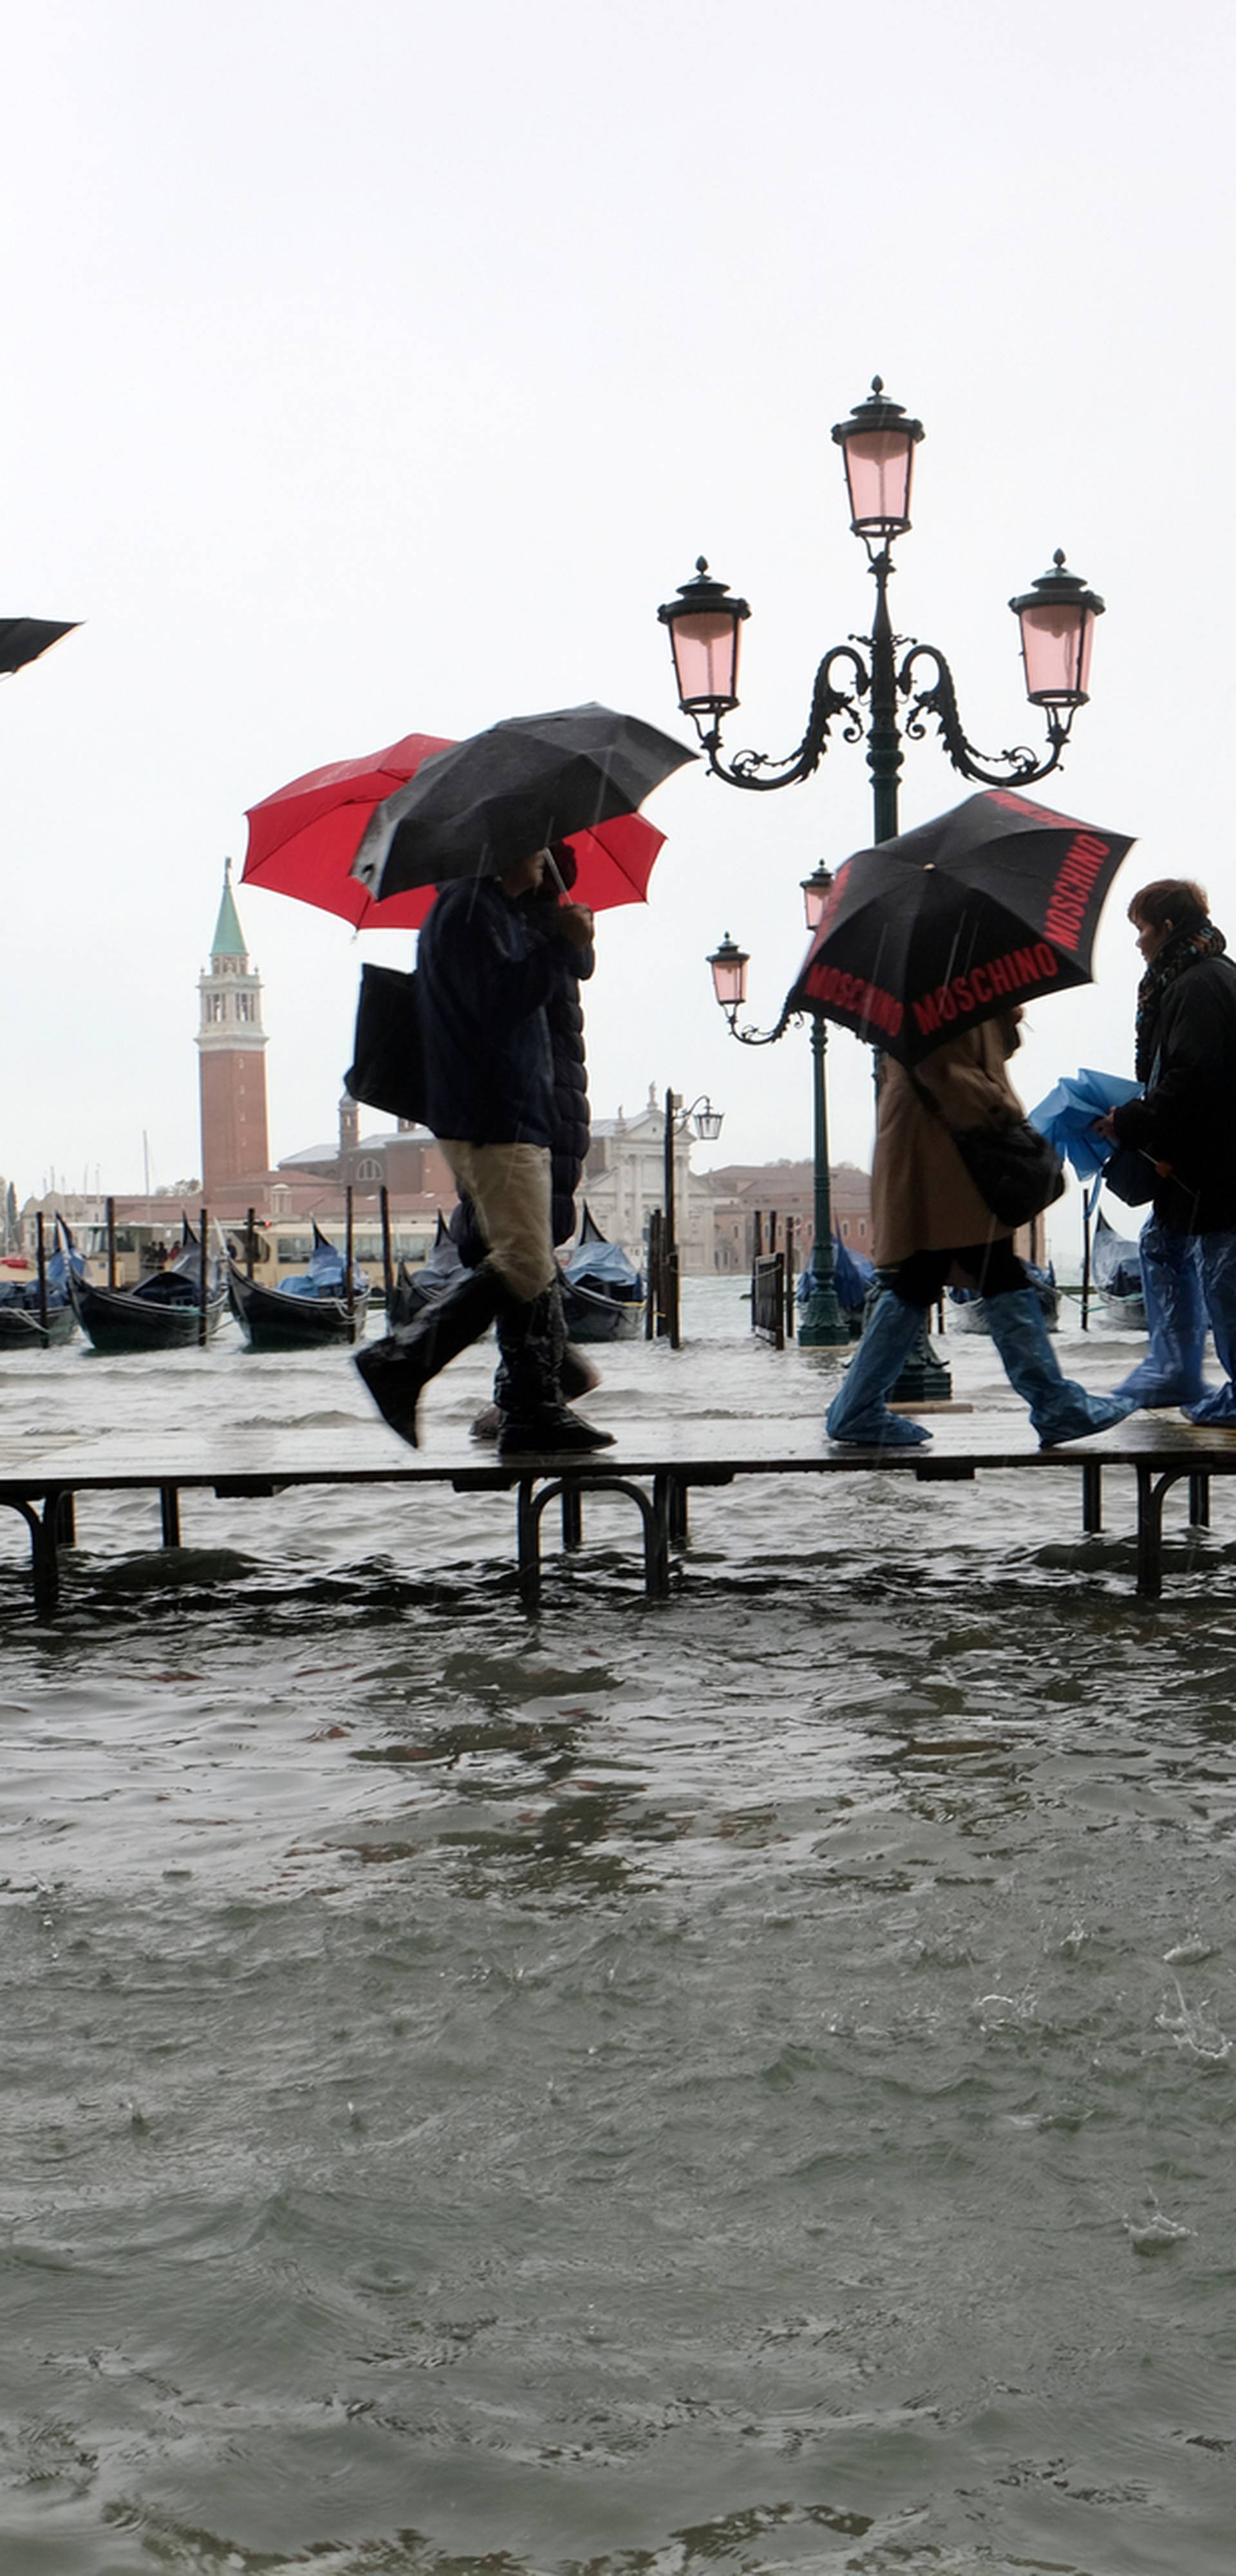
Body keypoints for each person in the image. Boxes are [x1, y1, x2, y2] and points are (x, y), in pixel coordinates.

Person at [355, 846, 613, 1455]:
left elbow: (539, 980)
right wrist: (557, 945)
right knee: (523, 1258)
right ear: (500, 850)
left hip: (510, 1108)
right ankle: (400, 1361)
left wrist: (562, 933)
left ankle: (532, 1406)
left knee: (526, 1255)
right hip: (496, 1111)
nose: (542, 859)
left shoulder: (489, 907)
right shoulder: (471, 911)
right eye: (535, 848)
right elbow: (498, 1002)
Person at [827, 1012, 1130, 1449]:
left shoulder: (958, 987)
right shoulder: (942, 988)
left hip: (940, 1153)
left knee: (927, 1279)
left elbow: (978, 1054)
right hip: (949, 1155)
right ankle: (1055, 1406)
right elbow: (946, 1072)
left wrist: (1006, 1020)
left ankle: (855, 1408)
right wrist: (1003, 1111)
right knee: (994, 1273)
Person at [1094, 878, 1236, 1422]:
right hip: (1203, 1163)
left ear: (1169, 928)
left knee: (1224, 1275)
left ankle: (1186, 1373)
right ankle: (1174, 1369)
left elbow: (1191, 1078)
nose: (1139, 943)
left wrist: (1129, 1120)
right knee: (1161, 1243)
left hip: (1215, 1168)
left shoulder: (1195, 987)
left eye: (1143, 929)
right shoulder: (1209, 978)